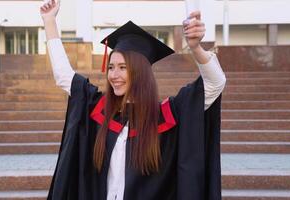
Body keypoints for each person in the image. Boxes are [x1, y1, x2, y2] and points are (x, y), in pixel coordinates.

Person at [40, 0, 226, 199]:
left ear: (140, 72)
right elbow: (63, 76)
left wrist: (196, 48)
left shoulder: (167, 115)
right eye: (111, 67)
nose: (114, 75)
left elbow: (216, 83)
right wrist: (49, 21)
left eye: (123, 67)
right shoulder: (99, 110)